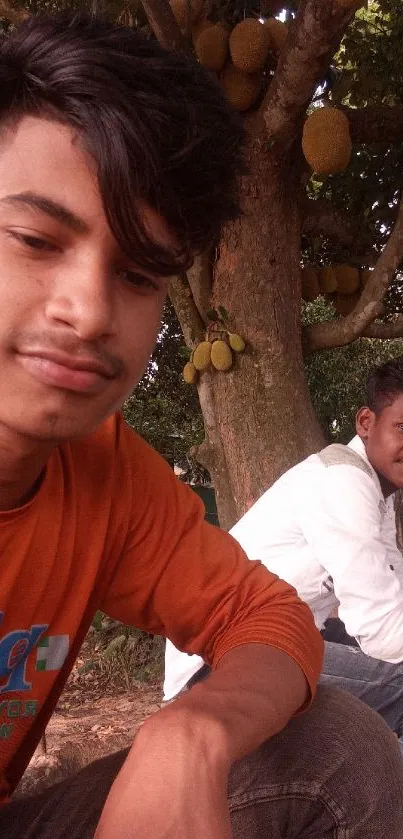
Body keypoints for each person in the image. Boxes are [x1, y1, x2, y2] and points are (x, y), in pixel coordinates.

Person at [0, 12, 400, 839]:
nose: (88, 311)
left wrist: (191, 734)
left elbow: (271, 615)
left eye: (140, 274)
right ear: (365, 420)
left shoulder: (103, 472)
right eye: (37, 239)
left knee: (335, 742)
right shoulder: (339, 484)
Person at [165, 357, 403, 756]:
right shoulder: (343, 482)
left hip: (273, 636)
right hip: (223, 659)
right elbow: (380, 628)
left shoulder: (375, 491)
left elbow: (388, 591)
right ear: (366, 422)